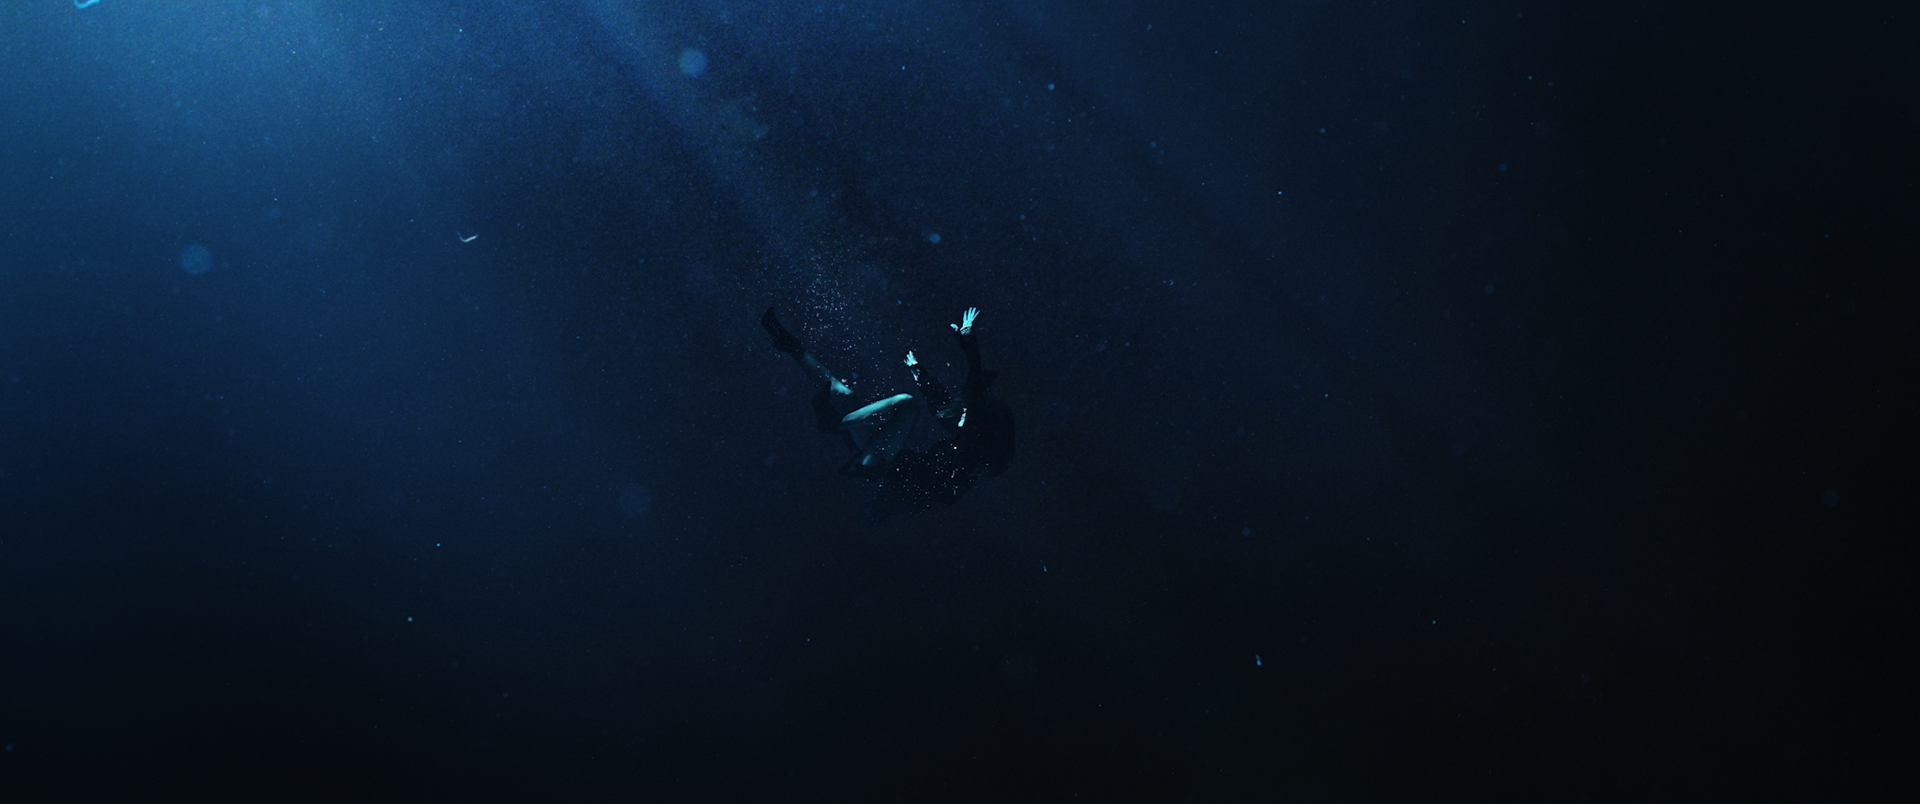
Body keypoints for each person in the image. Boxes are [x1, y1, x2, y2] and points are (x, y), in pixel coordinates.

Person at [762, 305, 1015, 519]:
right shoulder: (966, 439)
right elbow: (943, 406)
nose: (961, 418)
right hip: (881, 458)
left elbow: (973, 390)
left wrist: (969, 344)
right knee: (842, 394)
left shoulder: (972, 453)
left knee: (907, 404)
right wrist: (919, 372)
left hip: (882, 466)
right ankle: (788, 345)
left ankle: (834, 424)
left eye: (967, 414)